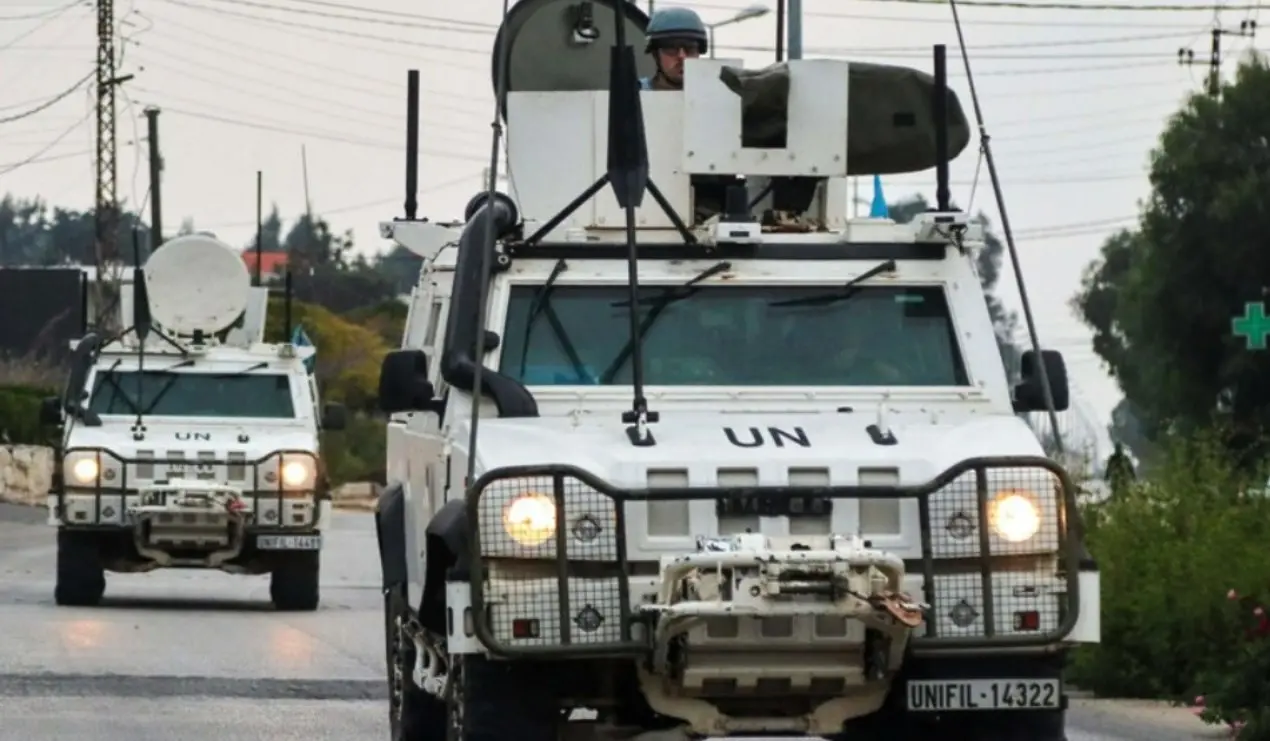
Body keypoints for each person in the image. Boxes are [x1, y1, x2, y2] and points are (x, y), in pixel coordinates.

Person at [638, 7, 708, 91]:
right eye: (671, 48)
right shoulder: (633, 94)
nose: (682, 56)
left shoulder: (711, 95)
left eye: (690, 48)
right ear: (655, 54)